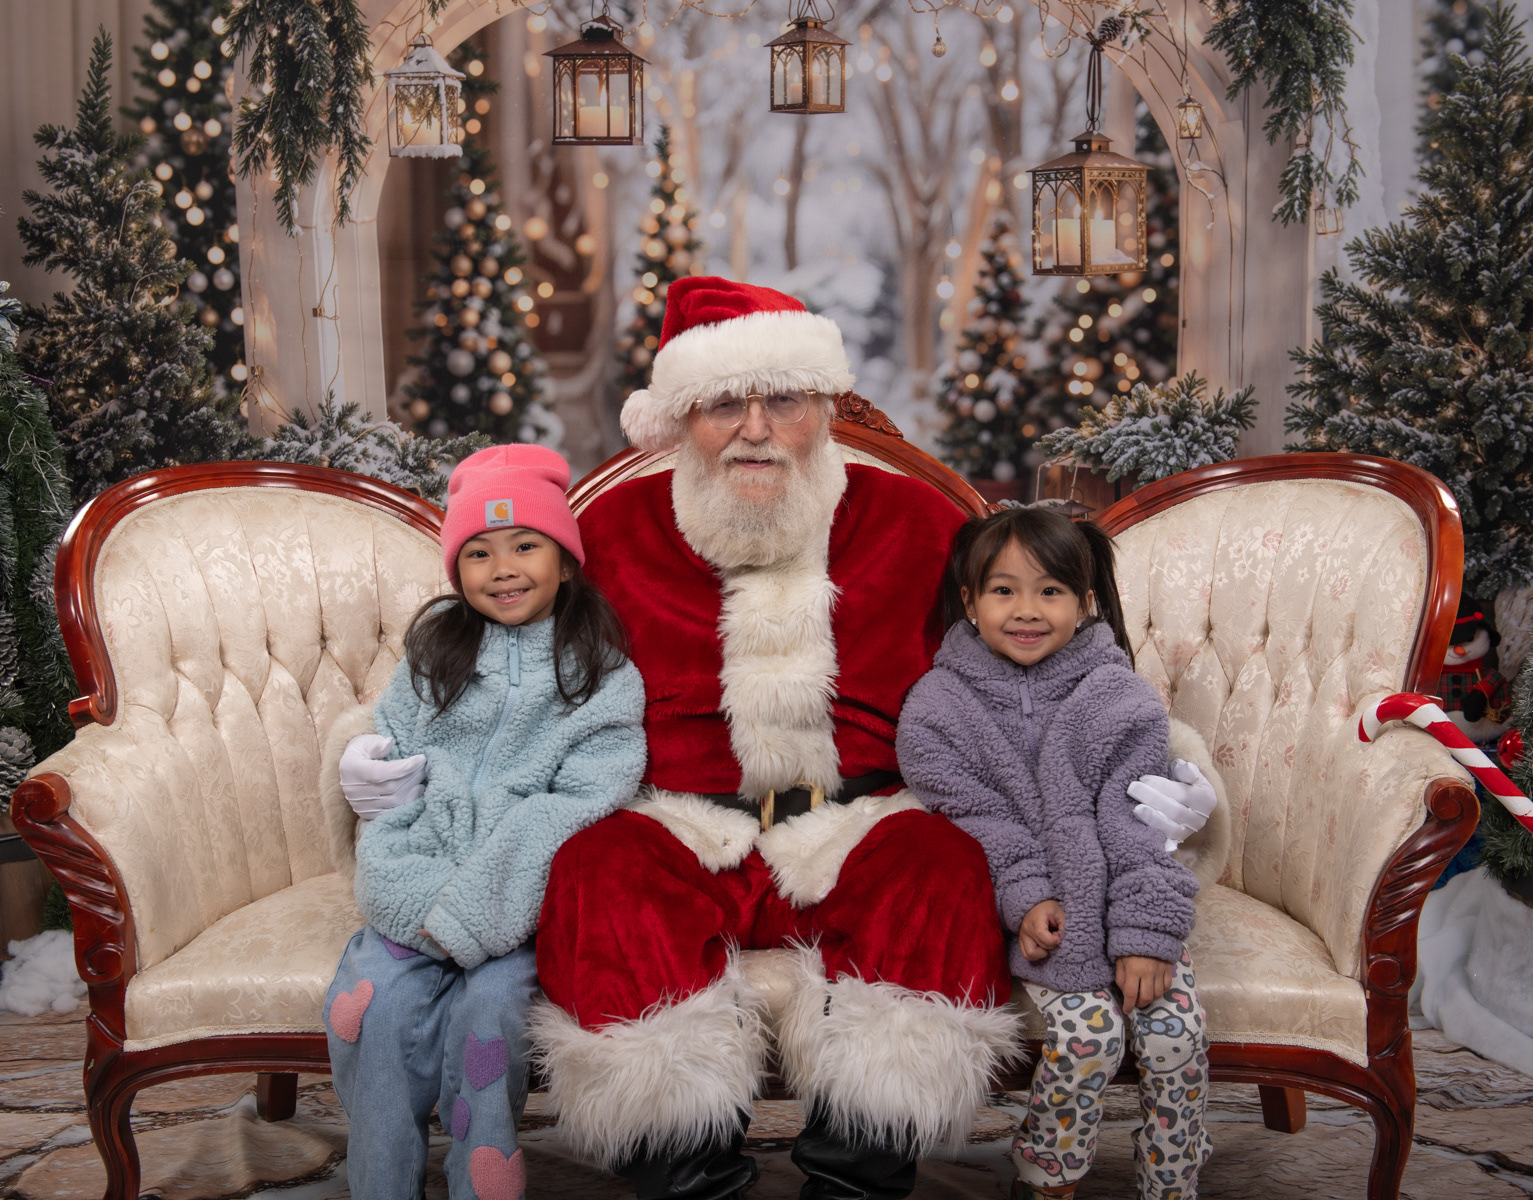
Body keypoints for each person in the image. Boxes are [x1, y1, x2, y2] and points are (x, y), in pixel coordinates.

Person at [524, 276, 1227, 1200]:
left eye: (783, 400)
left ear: (824, 407)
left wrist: (1168, 770)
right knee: (595, 873)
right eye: (724, 404)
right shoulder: (607, 530)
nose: (754, 430)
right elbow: (516, 672)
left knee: (942, 869)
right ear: (679, 418)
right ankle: (685, 1174)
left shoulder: (922, 525)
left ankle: (857, 1175)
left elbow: (1036, 669)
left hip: (862, 821)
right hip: (677, 820)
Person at [320, 444, 646, 1200]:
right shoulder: (434, 654)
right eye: (478, 552)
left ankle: (482, 1176)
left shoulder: (601, 674)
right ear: (456, 569)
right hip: (417, 891)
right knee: (372, 1007)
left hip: (519, 909)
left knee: (491, 1013)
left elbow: (580, 807)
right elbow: (392, 787)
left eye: (525, 546)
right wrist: (409, 894)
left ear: (565, 562)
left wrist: (474, 915)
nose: (502, 569)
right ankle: (381, 1184)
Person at [897, 504, 1213, 1200]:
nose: (1026, 610)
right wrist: (1027, 896)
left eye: (1050, 590)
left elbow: (1138, 822)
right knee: (1089, 1036)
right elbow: (973, 821)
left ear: (1084, 600)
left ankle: (1172, 1179)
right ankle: (1048, 1174)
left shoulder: (1119, 698)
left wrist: (1145, 933)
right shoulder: (937, 710)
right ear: (969, 601)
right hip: (1036, 919)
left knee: (1175, 1035)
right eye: (1002, 590)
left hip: (1126, 899)